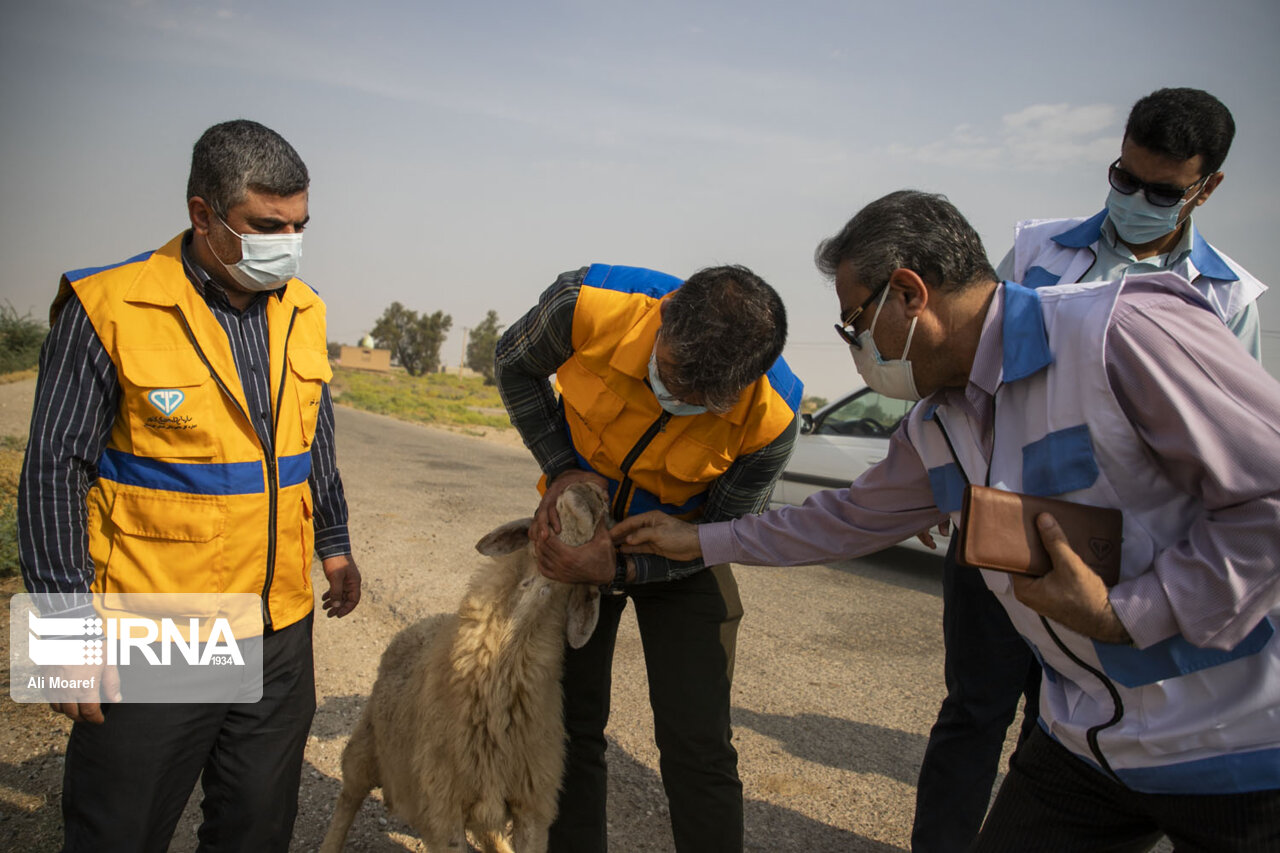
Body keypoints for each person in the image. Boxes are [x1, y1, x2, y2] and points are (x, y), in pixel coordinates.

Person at [614, 191, 1280, 851]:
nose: (854, 347)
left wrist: (1128, 611)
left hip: (1236, 743)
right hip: (1085, 740)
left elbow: (1269, 497)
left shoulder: (1115, 333)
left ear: (908, 293)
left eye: (853, 323)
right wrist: (700, 539)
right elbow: (843, 519)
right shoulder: (939, 422)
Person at [912, 86, 1268, 853]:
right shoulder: (1038, 249)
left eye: (1161, 190)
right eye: (1123, 177)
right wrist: (942, 473)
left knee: (1065, 716)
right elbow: (969, 359)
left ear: (1207, 188)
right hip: (998, 527)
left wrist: (1149, 602)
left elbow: (1236, 456)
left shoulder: (1232, 297)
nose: (1134, 200)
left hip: (1112, 564)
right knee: (972, 707)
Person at [17, 119, 361, 852]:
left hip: (277, 628)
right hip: (160, 626)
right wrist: (60, 634)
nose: (288, 243)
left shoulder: (304, 309)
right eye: (268, 225)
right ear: (202, 214)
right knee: (122, 830)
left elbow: (313, 443)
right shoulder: (109, 306)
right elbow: (52, 468)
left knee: (256, 829)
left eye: (300, 225)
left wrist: (334, 542)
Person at [494, 263, 802, 852]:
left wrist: (627, 569)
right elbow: (514, 364)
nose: (680, 402)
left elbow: (725, 531)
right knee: (568, 726)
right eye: (673, 377)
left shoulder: (774, 416)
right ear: (665, 317)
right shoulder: (583, 307)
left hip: (682, 555)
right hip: (578, 531)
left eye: (705, 403)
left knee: (698, 742)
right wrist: (561, 467)